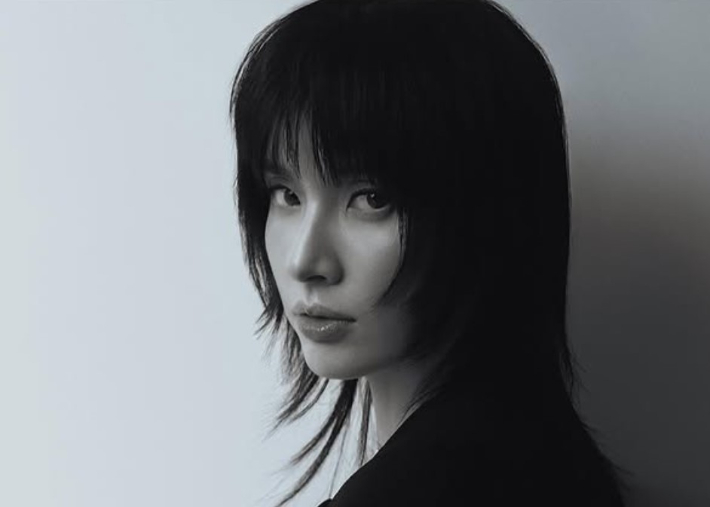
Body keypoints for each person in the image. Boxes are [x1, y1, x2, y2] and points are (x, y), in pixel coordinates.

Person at [229, 0, 629, 505]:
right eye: (287, 194)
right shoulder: (547, 454)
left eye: (371, 199)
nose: (305, 262)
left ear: (484, 214)